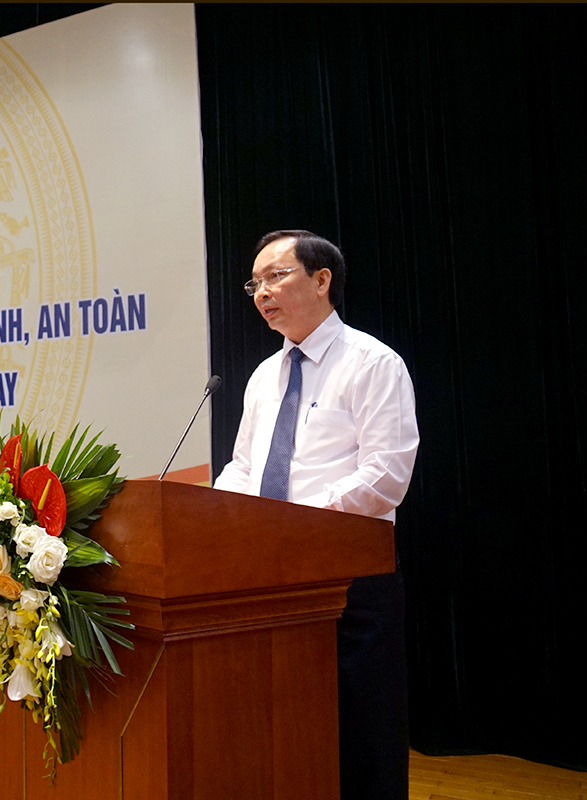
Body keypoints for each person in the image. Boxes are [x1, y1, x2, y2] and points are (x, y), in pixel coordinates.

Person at [212, 230, 419, 800]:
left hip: (349, 577)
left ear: (322, 279)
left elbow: (386, 475)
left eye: (275, 277)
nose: (261, 293)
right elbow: (245, 466)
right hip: (268, 577)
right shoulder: (264, 375)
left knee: (361, 730)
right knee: (284, 727)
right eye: (255, 283)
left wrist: (296, 524)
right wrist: (213, 512)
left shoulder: (372, 363)